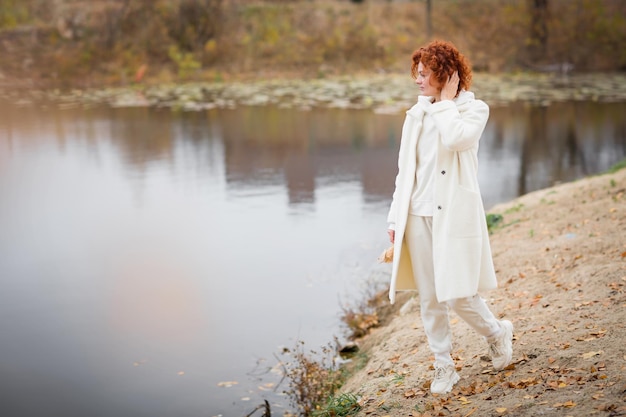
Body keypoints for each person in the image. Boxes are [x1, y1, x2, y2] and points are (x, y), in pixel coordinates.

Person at [386, 40, 514, 395]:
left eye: (425, 74)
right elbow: (404, 172)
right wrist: (395, 220)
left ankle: (497, 332)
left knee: (459, 294)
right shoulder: (415, 115)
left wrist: (444, 105)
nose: (418, 80)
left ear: (446, 75)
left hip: (453, 217)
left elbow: (458, 139)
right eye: (417, 73)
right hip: (416, 215)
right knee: (429, 296)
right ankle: (444, 366)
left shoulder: (474, 110)